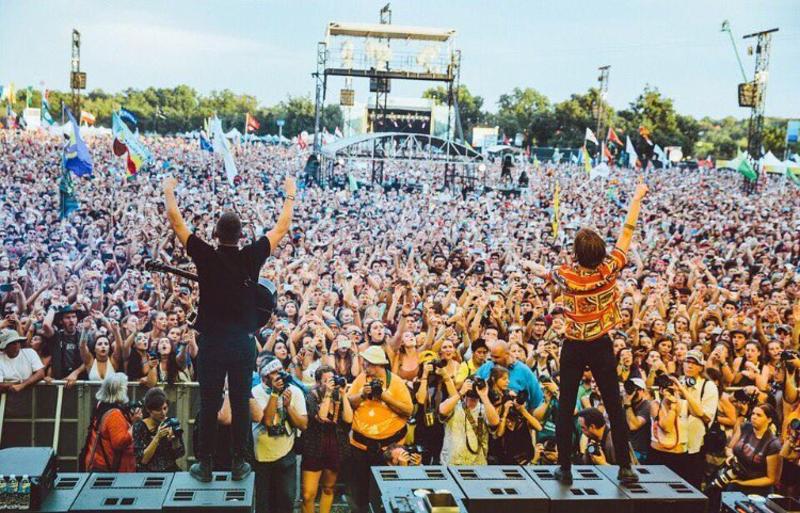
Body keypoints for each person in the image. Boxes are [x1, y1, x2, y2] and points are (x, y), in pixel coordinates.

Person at [162, 174, 296, 482]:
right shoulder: (252, 256)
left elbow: (177, 223)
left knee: (209, 404)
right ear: (242, 235)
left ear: (214, 233)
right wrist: (289, 194)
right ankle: (239, 462)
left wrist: (169, 191)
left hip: (211, 343)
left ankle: (205, 464)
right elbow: (281, 228)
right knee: (239, 401)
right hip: (242, 343)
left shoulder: (205, 255)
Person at [526, 177, 649, 484]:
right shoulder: (610, 268)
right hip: (601, 344)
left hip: (573, 345)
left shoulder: (567, 275)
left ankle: (565, 469)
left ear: (577, 254)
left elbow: (543, 273)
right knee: (613, 405)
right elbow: (627, 232)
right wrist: (636, 199)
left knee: (566, 404)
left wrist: (528, 265)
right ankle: (625, 467)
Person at [347, 345, 413, 513]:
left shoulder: (396, 382)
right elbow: (349, 403)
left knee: (386, 490)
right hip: (360, 447)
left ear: (378, 365)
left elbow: (408, 410)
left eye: (368, 363)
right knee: (360, 489)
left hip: (388, 449)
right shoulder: (362, 378)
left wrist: (384, 396)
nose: (364, 366)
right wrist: (362, 395)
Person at [250, 356, 308, 513]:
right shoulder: (255, 392)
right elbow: (268, 421)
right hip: (261, 457)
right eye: (275, 372)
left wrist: (289, 407)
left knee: (286, 502)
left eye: (281, 370)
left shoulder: (294, 391)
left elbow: (303, 425)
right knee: (264, 504)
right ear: (264, 377)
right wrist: (275, 394)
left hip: (286, 454)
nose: (280, 376)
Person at [301, 365, 353, 513]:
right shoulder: (311, 396)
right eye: (326, 380)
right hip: (314, 447)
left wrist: (343, 395)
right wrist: (328, 394)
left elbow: (348, 419)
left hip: (334, 446)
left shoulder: (338, 395)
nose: (330, 383)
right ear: (318, 382)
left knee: (329, 488)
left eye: (332, 379)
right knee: (308, 494)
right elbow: (322, 417)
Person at [81, 372, 139, 472]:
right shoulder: (114, 415)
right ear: (120, 391)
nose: (127, 390)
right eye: (125, 388)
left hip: (96, 463)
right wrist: (135, 425)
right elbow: (120, 442)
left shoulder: (100, 406)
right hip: (107, 468)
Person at [439, 375, 500, 465]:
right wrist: (461, 392)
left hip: (477, 464)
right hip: (451, 463)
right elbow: (442, 410)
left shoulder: (485, 409)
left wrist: (484, 396)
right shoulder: (454, 405)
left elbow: (495, 422)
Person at [726, 403, 783, 495]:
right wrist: (731, 456)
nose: (754, 417)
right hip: (735, 479)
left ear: (769, 419)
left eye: (759, 415)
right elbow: (729, 448)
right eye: (753, 414)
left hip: (757, 490)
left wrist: (743, 483)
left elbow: (771, 479)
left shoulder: (773, 444)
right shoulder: (745, 427)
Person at [132, 387, 186, 471]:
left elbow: (180, 454)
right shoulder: (139, 426)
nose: (163, 413)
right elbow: (143, 460)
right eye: (158, 410)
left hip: (170, 470)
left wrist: (174, 441)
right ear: (148, 410)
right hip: (148, 472)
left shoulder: (170, 423)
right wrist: (157, 437)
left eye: (165, 408)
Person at [0, 329, 45, 393]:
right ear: (5, 346)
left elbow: (40, 373)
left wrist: (22, 385)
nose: (16, 345)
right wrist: (20, 382)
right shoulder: (1, 358)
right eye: (12, 343)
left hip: (30, 394)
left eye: (18, 342)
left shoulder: (30, 352)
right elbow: (1, 386)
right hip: (7, 396)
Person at [622, 377, 653, 463]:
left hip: (639, 451)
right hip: (627, 447)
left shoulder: (646, 406)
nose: (634, 392)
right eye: (632, 389)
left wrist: (628, 405)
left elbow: (633, 426)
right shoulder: (625, 403)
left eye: (637, 389)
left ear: (643, 391)